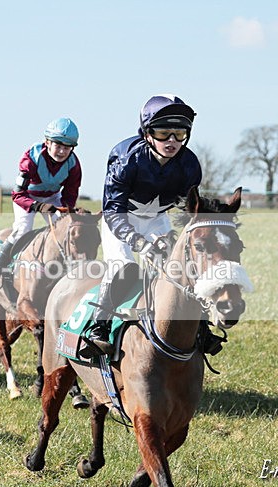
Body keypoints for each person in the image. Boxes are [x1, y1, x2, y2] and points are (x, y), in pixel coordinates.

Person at [85, 94, 211, 353]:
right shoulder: (126, 157)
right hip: (120, 218)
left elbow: (190, 208)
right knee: (123, 267)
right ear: (147, 133)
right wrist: (138, 242)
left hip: (157, 219)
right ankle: (100, 327)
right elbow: (113, 210)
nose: (172, 141)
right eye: (164, 133)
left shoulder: (189, 164)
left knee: (180, 268)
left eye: (180, 133)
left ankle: (201, 328)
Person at [0, 118, 81, 287]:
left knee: (65, 229)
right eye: (58, 145)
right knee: (23, 229)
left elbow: (70, 193)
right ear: (47, 142)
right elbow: (17, 194)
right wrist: (38, 206)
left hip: (52, 197)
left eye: (67, 147)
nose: (62, 151)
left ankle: (67, 270)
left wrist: (66, 210)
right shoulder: (31, 158)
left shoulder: (74, 165)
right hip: (27, 197)